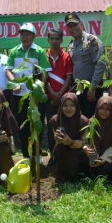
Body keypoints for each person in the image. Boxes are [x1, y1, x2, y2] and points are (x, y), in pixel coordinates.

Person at [5, 23, 51, 159]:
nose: (25, 37)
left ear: (33, 36)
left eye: (28, 34)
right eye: (22, 34)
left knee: (37, 124)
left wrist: (39, 89)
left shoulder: (39, 51)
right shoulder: (14, 51)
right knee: (23, 126)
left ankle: (37, 155)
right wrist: (14, 84)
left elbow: (45, 72)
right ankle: (26, 155)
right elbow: (8, 69)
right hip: (20, 96)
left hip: (35, 97)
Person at [40, 28, 73, 166]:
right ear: (48, 40)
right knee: (48, 128)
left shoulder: (67, 57)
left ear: (61, 40)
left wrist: (60, 95)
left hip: (63, 99)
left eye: (57, 38)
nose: (54, 41)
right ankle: (53, 156)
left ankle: (63, 154)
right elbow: (43, 78)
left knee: (61, 127)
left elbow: (69, 77)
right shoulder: (43, 56)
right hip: (47, 98)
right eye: (51, 38)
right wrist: (53, 95)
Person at [66, 13, 105, 118]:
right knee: (82, 118)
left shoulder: (92, 41)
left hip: (91, 87)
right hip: (79, 88)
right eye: (70, 26)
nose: (73, 28)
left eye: (75, 25)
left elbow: (100, 64)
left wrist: (92, 87)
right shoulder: (71, 44)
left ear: (81, 24)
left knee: (93, 118)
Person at [49, 93, 89, 182]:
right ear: (61, 106)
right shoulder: (55, 120)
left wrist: (71, 142)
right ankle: (61, 175)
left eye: (72, 105)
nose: (68, 108)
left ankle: (79, 175)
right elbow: (57, 142)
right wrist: (58, 139)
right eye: (65, 105)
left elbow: (85, 141)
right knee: (59, 149)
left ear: (77, 106)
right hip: (63, 150)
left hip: (78, 150)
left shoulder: (84, 121)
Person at [82, 95, 112, 180]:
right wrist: (86, 148)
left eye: (108, 109)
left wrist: (104, 159)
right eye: (101, 108)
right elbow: (84, 140)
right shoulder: (91, 122)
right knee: (84, 162)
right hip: (92, 155)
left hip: (106, 156)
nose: (104, 111)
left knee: (106, 168)